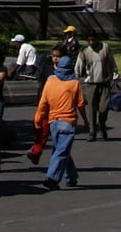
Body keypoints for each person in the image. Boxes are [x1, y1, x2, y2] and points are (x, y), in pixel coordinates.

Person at [33, 53, 85, 189]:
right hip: (68, 121)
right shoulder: (74, 83)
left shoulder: (50, 82)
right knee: (62, 151)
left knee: (61, 149)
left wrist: (37, 119)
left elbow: (43, 103)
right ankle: (52, 178)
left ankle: (71, 177)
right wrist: (86, 120)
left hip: (53, 122)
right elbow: (80, 104)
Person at [75, 35, 117, 140]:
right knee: (92, 109)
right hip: (91, 84)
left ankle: (102, 126)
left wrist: (114, 74)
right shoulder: (84, 52)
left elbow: (111, 62)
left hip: (104, 83)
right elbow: (78, 67)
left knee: (103, 108)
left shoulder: (105, 48)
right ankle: (92, 132)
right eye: (89, 40)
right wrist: (76, 78)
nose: (91, 42)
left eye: (93, 40)